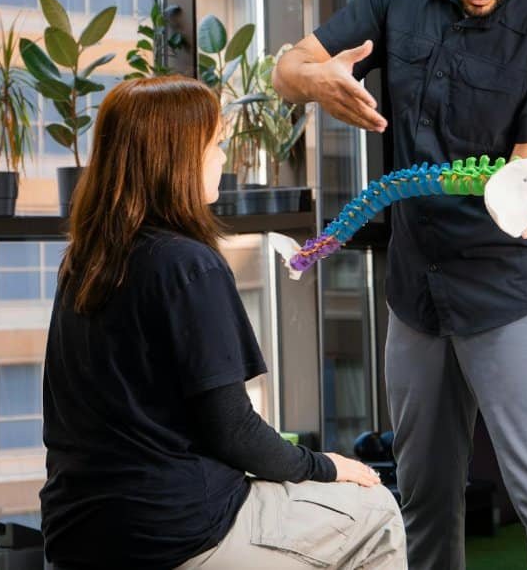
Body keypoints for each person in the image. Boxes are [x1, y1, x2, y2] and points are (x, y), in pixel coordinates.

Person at [273, 0, 527, 568]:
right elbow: (288, 66)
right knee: (420, 506)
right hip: (415, 297)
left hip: (511, 293)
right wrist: (315, 78)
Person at [39, 76, 406, 570]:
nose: (223, 159)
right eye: (214, 145)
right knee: (376, 509)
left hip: (76, 535)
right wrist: (327, 467)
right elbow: (234, 432)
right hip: (174, 534)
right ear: (175, 158)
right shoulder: (189, 265)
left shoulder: (84, 263)